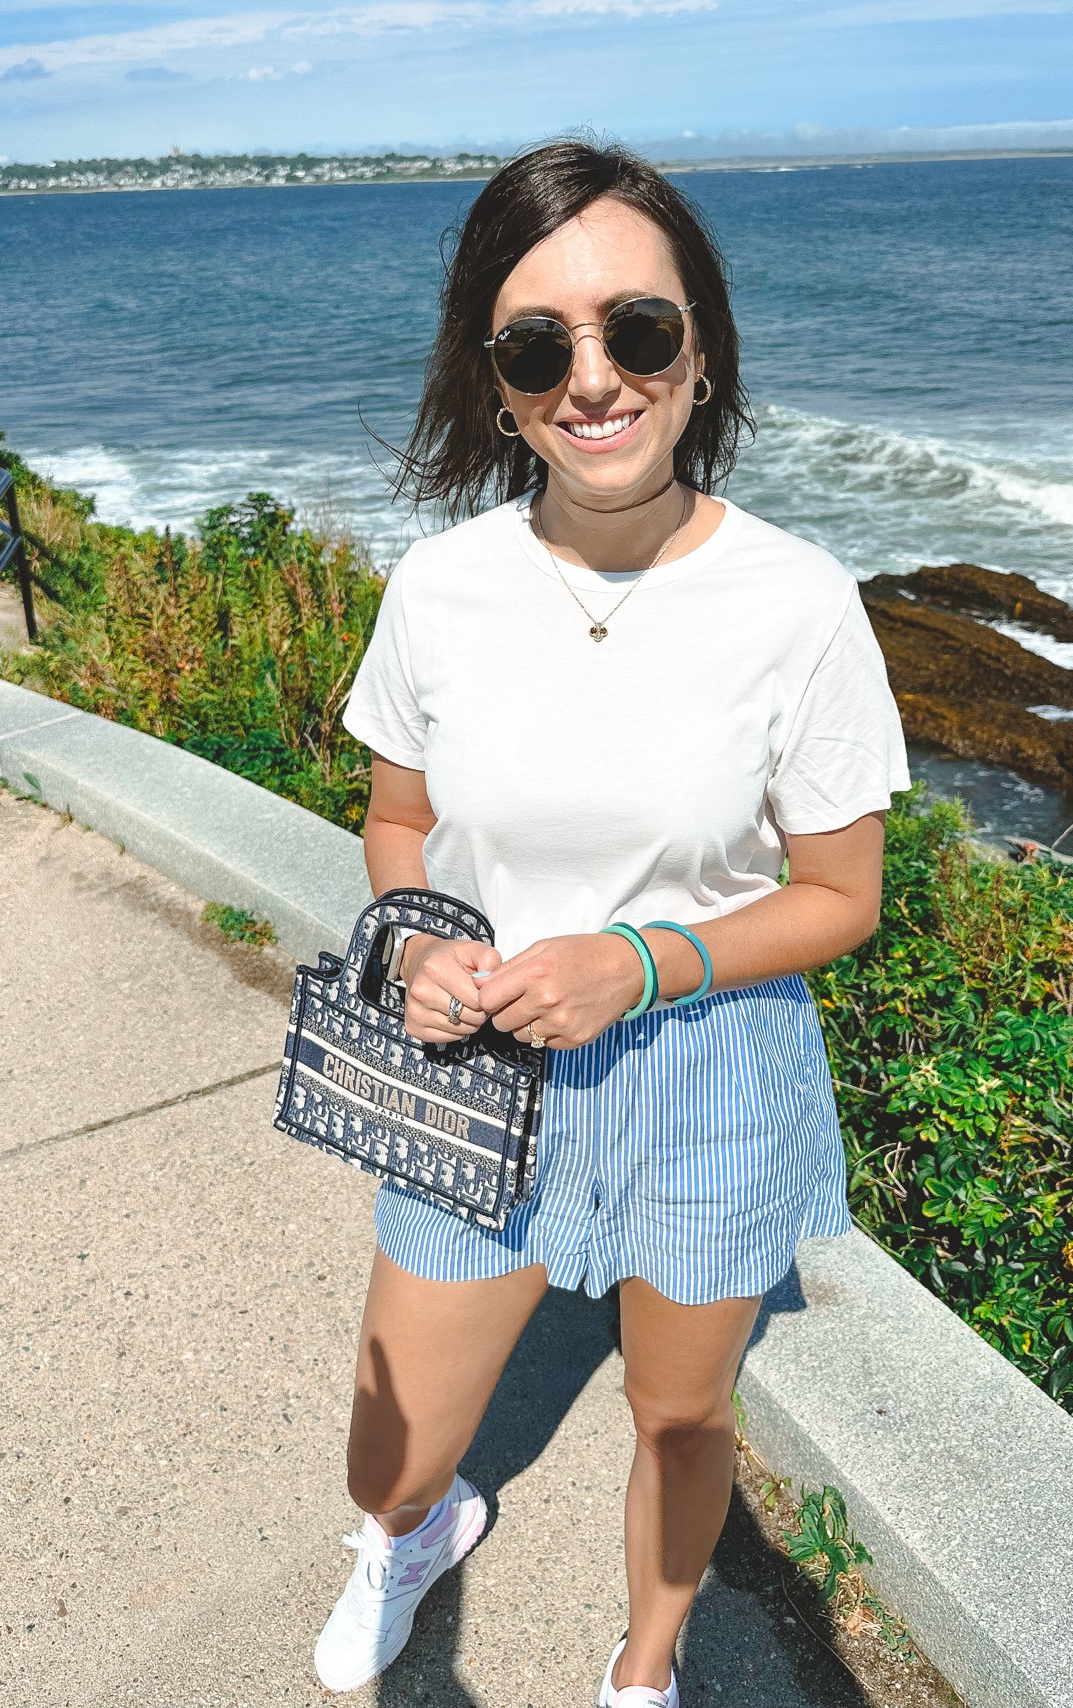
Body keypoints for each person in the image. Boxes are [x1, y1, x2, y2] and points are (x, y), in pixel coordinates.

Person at [315, 139, 909, 1703]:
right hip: (477, 1061)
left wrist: (638, 964)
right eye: (539, 347)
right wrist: (415, 939)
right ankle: (413, 1530)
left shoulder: (798, 601)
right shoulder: (440, 587)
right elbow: (396, 820)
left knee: (678, 1414)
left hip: (705, 1062)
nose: (594, 378)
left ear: (700, 354)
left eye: (639, 329)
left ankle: (647, 1662)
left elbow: (842, 896)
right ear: (496, 385)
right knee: (389, 1448)